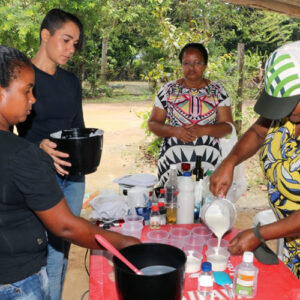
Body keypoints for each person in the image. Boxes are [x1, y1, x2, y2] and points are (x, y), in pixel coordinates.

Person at [0, 45, 139, 299]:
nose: (32, 99)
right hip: (17, 283)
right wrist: (125, 243)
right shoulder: (23, 156)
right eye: (27, 91)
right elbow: (64, 227)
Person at [210, 41, 300, 279]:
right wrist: (229, 163)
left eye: (292, 102)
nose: (286, 111)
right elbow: (260, 131)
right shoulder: (288, 115)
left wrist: (260, 234)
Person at [16, 9, 86, 299]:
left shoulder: (70, 82)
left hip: (73, 178)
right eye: (66, 41)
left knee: (62, 250)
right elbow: (7, 135)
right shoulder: (21, 78)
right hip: (39, 176)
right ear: (46, 35)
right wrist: (37, 147)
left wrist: (86, 157)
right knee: (44, 253)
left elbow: (78, 128)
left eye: (75, 44)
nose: (71, 49)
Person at [148, 42, 234, 186]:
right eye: (186, 63)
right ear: (181, 65)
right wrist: (174, 131)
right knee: (172, 204)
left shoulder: (218, 91)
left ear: (205, 65)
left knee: (205, 202)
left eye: (197, 63)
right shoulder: (168, 91)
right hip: (172, 165)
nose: (191, 68)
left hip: (209, 163)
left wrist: (204, 130)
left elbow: (228, 127)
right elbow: (153, 123)